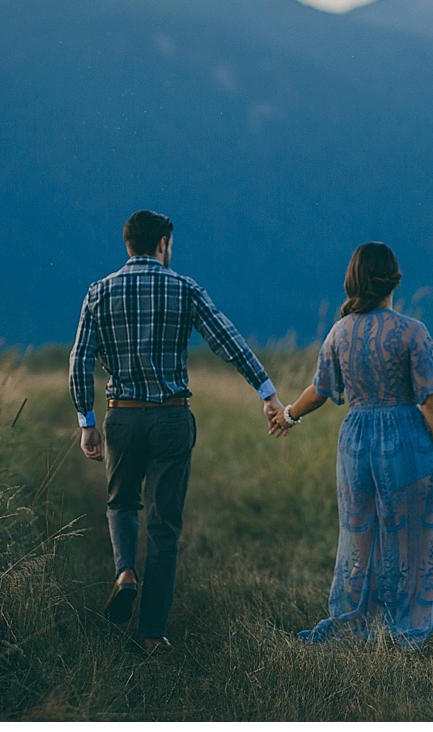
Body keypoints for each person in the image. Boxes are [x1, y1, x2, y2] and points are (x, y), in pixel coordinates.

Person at [70, 209, 283, 656]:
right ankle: (151, 635)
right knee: (164, 526)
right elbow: (228, 340)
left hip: (122, 417)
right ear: (163, 243)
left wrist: (86, 422)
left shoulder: (98, 292)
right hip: (171, 417)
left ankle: (126, 571)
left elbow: (79, 360)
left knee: (122, 503)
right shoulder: (184, 288)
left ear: (128, 244)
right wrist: (266, 391)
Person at [269, 241, 433, 649]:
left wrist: (287, 415)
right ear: (394, 279)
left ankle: (357, 622)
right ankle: (402, 627)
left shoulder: (340, 332)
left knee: (360, 535)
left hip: (356, 442)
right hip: (405, 438)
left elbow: (319, 391)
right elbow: (431, 401)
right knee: (411, 538)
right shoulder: (411, 331)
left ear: (353, 279)